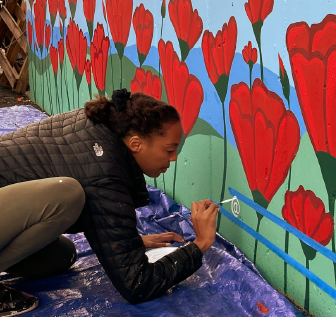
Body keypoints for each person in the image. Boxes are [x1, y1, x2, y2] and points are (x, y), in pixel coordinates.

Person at [0, 90, 219, 314]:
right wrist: (200, 243)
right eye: (170, 150)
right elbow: (137, 284)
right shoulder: (104, 170)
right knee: (67, 194)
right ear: (136, 144)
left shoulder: (103, 132)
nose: (174, 158)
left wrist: (129, 241)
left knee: (60, 257)